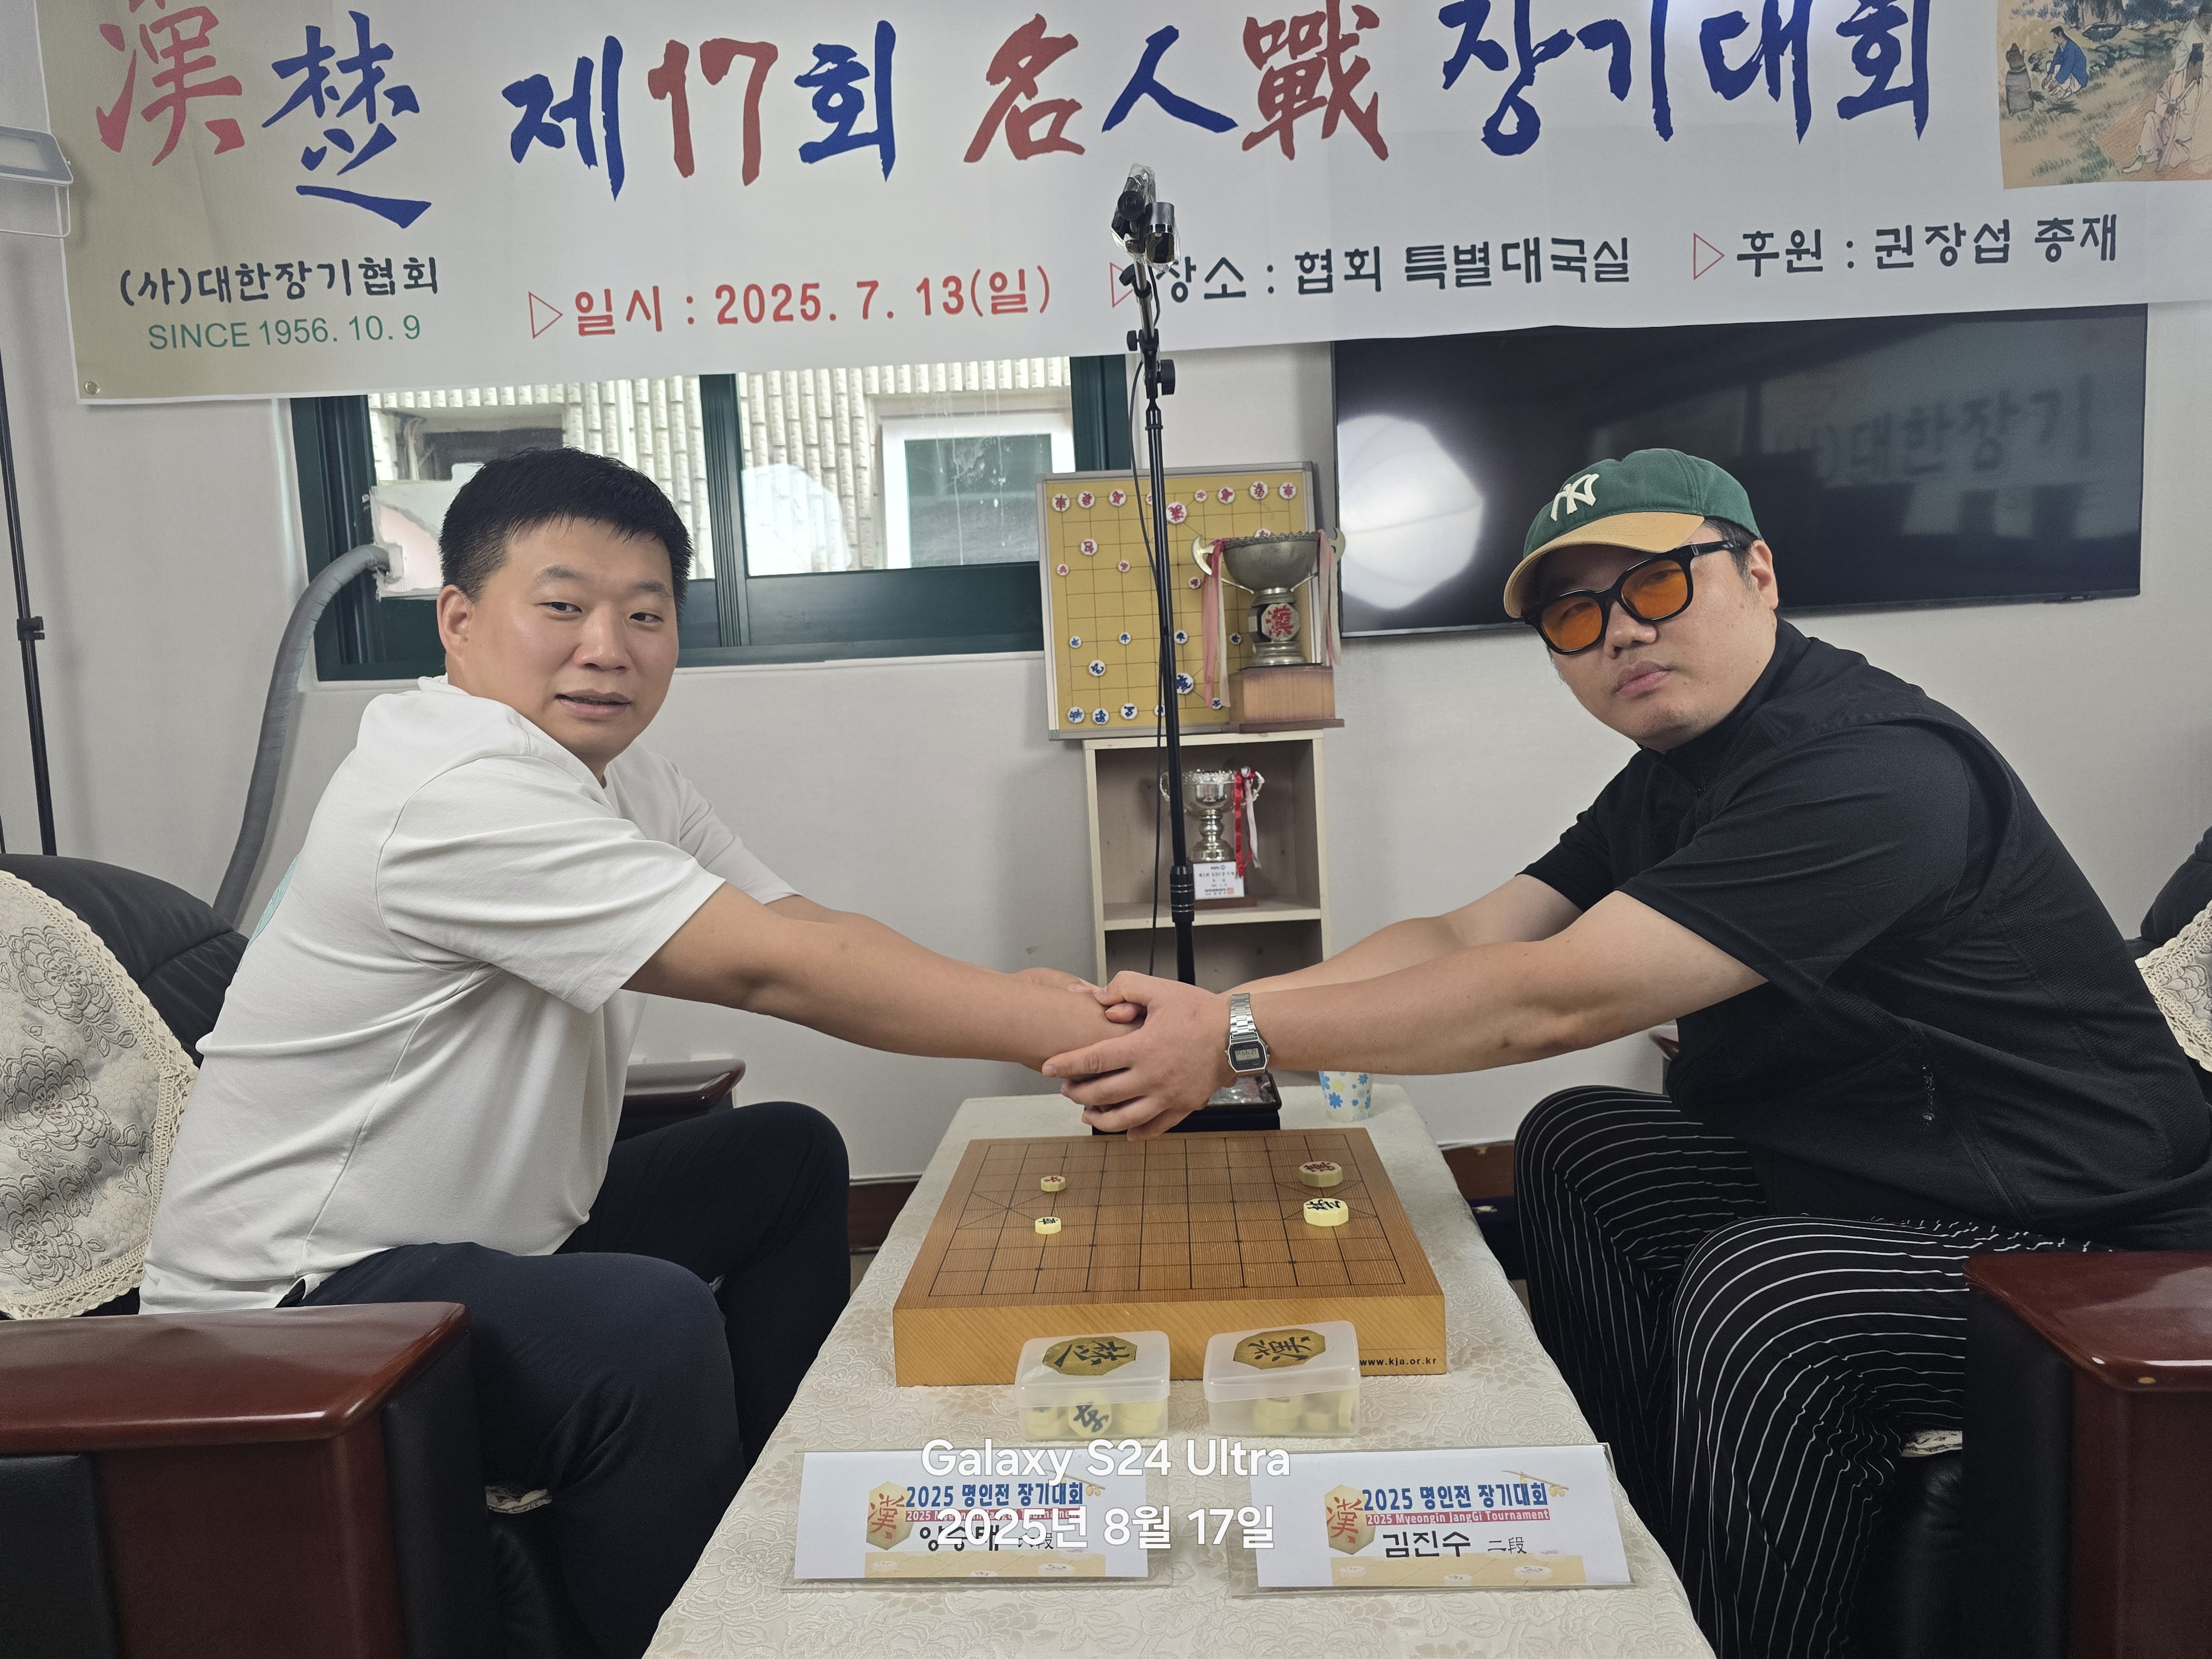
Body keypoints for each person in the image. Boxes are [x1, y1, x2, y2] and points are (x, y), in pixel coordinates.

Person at [1044, 449, 2212, 1658]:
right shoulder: (1676, 775)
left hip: (2088, 1236)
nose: (1618, 632)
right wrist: (1210, 1017)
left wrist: (1237, 1041)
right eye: (1574, 614)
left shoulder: (1870, 771)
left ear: (1758, 573)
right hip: (1901, 1176)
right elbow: (1469, 936)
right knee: (1581, 1139)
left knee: (1764, 1294)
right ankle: (1630, 1527)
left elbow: (1554, 1000)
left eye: (1655, 583)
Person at [142, 447, 1122, 1659]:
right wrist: (1065, 1034)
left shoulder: (619, 776)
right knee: (640, 1323)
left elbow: (801, 925)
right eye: (562, 607)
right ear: (459, 621)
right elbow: (773, 974)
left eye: (645, 615)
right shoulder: (452, 788)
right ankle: (699, 1632)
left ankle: (780, 1496)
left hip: (478, 1243)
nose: (607, 648)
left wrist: (1026, 997)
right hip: (293, 1310)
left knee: (784, 1157)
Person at [2124, 42, 2206, 173]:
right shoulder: (2174, 78)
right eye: (2199, 67)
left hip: (2181, 141)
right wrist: (2167, 107)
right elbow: (2161, 97)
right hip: (2165, 130)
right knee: (2151, 117)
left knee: (2171, 162)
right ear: (2191, 66)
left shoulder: (2203, 86)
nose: (2201, 71)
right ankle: (2141, 158)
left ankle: (2156, 152)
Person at [2045, 23, 2091, 93]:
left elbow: (2068, 67)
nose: (2054, 41)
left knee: (2062, 72)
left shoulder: (2070, 47)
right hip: (2069, 73)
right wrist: (2049, 76)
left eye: (2055, 37)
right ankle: (2061, 86)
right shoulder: (2061, 47)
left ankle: (2066, 89)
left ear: (2060, 35)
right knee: (2049, 64)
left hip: (2077, 77)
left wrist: (2057, 82)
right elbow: (2055, 61)